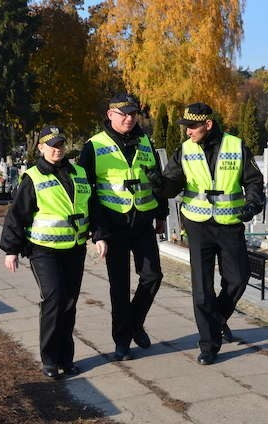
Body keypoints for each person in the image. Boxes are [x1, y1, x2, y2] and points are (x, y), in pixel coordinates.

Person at [146, 102, 265, 365]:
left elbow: (253, 180)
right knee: (202, 288)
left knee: (238, 278)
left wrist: (253, 203)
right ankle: (208, 345)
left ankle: (217, 320)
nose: (187, 132)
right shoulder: (185, 150)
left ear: (207, 125)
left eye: (191, 126)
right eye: (185, 127)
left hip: (230, 222)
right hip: (197, 224)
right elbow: (171, 186)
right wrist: (158, 183)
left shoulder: (235, 145)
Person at [78, 93, 168, 361]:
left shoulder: (144, 141)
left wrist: (161, 213)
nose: (129, 119)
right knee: (119, 286)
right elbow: (86, 192)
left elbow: (156, 179)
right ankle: (122, 341)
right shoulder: (94, 146)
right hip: (112, 223)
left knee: (153, 276)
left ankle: (134, 323)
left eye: (133, 114)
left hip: (141, 220)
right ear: (110, 115)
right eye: (123, 114)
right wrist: (97, 232)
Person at [0, 126, 91, 379]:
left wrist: (101, 235)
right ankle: (49, 359)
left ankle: (66, 358)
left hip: (74, 248)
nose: (56, 149)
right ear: (40, 147)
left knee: (69, 304)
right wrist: (11, 250)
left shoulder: (79, 173)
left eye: (60, 144)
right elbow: (17, 215)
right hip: (43, 251)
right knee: (54, 299)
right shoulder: (33, 177)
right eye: (51, 145)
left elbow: (91, 207)